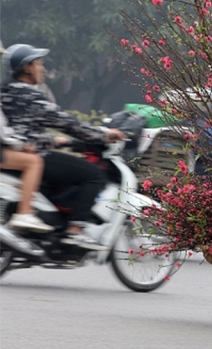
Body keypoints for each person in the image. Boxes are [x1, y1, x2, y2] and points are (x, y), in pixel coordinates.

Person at [1, 44, 125, 250]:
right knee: (92, 174)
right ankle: (75, 231)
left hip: (16, 148)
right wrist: (102, 135)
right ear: (27, 67)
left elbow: (21, 128)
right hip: (31, 154)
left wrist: (56, 140)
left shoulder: (6, 92)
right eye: (39, 64)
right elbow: (66, 123)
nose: (44, 69)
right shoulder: (29, 95)